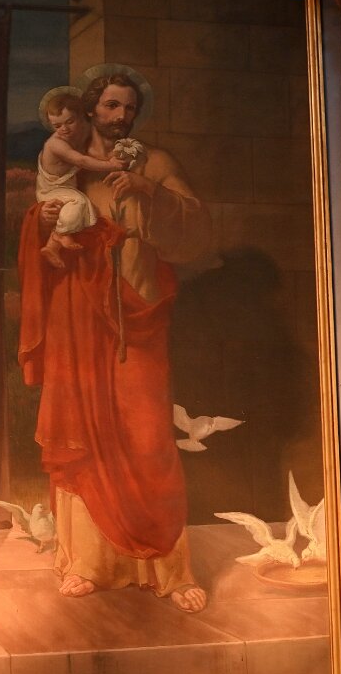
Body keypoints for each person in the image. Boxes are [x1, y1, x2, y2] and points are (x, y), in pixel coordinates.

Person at [17, 69, 213, 613]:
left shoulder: (157, 163)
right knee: (84, 430)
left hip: (139, 311)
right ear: (90, 109)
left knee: (148, 437)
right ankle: (88, 563)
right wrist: (44, 220)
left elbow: (199, 230)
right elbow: (43, 224)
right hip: (79, 315)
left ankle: (168, 569)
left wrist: (150, 191)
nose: (120, 115)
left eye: (128, 107)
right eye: (109, 105)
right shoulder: (71, 164)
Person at [35, 89, 126, 269]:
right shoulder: (56, 144)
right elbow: (82, 161)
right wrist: (111, 165)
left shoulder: (83, 130)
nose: (64, 129)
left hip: (66, 187)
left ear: (80, 116)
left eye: (69, 122)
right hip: (51, 190)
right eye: (57, 126)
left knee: (80, 205)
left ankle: (53, 245)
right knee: (79, 203)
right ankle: (59, 235)